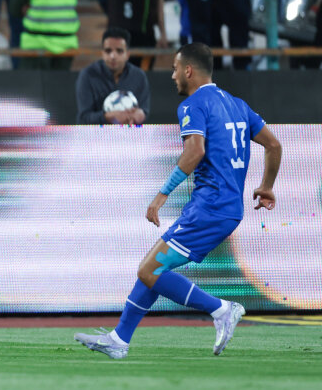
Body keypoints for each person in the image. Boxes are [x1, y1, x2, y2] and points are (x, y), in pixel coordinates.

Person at [75, 42, 281, 359]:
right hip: (226, 209)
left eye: (174, 69)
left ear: (188, 70)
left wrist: (161, 195)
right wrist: (266, 187)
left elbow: (195, 150)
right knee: (153, 268)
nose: (172, 76)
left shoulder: (192, 105)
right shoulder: (238, 104)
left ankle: (221, 309)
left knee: (148, 270)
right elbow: (274, 145)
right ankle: (119, 339)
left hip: (209, 208)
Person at [75, 28, 152, 125]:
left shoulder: (139, 76)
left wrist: (141, 115)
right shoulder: (87, 75)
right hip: (97, 134)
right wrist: (108, 117)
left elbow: (144, 110)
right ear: (102, 53)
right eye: (108, 51)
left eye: (119, 51)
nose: (113, 56)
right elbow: (84, 118)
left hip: (129, 133)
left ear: (127, 54)